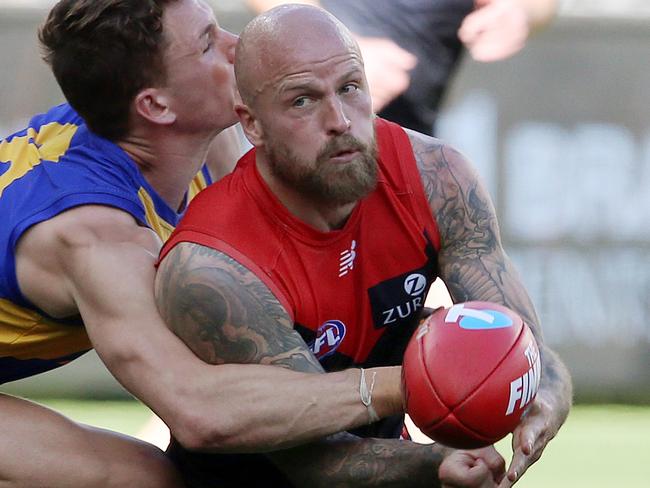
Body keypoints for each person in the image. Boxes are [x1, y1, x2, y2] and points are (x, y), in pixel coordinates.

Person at [1, 0, 466, 486]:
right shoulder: (95, 237)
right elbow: (198, 409)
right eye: (207, 43)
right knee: (144, 479)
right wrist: (412, 382)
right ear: (157, 105)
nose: (236, 46)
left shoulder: (191, 140)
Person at [155, 4, 572, 488]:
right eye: (302, 101)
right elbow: (312, 460)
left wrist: (538, 397)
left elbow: (523, 345)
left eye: (350, 88)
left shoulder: (437, 178)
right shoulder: (213, 267)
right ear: (252, 125)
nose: (340, 120)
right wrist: (436, 464)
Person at [247, 0, 558, 135]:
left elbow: (538, 6)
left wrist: (519, 13)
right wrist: (340, 52)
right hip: (304, 139)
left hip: (408, 144)